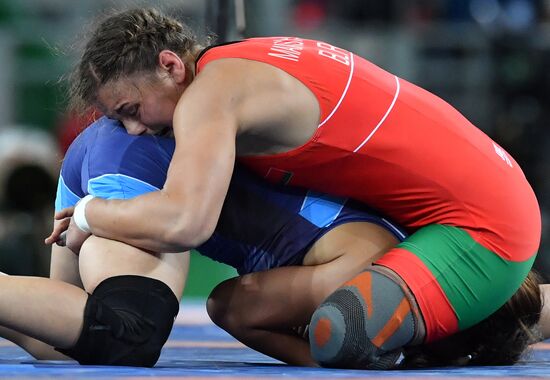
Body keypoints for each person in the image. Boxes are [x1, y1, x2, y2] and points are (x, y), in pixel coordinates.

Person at [47, 8, 542, 369]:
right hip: (487, 198)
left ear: (172, 65)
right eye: (119, 120)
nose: (134, 131)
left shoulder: (210, 97)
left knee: (340, 333)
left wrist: (92, 215)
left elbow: (185, 222)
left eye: (132, 111)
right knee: (245, 310)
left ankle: (428, 338)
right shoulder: (240, 61)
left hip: (483, 228)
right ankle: (462, 323)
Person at [49, 116, 541, 368]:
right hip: (147, 166)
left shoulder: (416, 243)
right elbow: (228, 307)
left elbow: (517, 297)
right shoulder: (365, 285)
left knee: (58, 349)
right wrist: (344, 362)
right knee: (125, 331)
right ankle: (94, 217)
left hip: (134, 145)